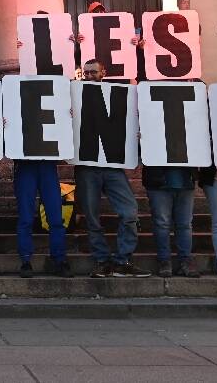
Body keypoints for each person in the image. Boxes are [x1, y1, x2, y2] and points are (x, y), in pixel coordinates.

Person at [74, 59, 151, 278]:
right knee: (92, 217)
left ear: (103, 73)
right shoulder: (75, 95)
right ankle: (101, 261)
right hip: (87, 165)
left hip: (112, 165)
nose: (89, 76)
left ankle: (122, 260)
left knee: (129, 212)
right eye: (86, 73)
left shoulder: (117, 95)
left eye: (93, 72)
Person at [13, 157, 71, 278]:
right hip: (25, 164)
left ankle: (59, 259)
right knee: (25, 218)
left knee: (55, 217)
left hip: (47, 163)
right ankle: (25, 260)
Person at [142, 164, 200, 277]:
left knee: (185, 224)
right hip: (158, 182)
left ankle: (185, 260)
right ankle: (164, 261)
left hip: (185, 181)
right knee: (162, 224)